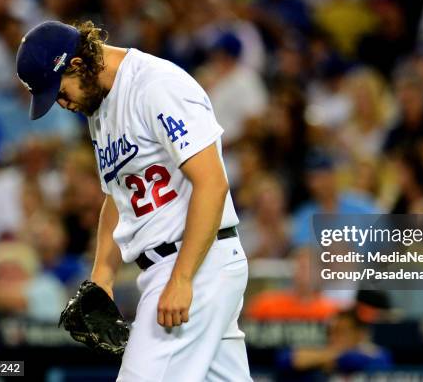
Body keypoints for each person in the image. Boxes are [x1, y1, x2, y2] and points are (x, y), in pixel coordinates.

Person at [15, 20, 250, 381]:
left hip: (194, 261)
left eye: (59, 92)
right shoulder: (100, 106)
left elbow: (212, 184)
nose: (61, 104)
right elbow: (118, 195)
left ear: (77, 64)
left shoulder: (156, 86)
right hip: (178, 266)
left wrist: (183, 277)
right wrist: (101, 279)